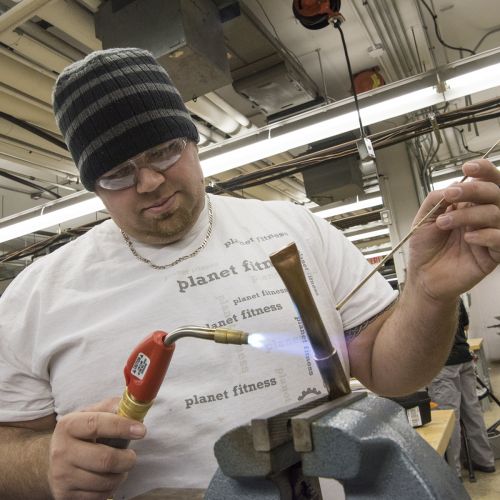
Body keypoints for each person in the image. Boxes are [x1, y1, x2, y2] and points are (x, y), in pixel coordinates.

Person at [0, 47, 499, 500]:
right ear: (93, 185)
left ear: (192, 140)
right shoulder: (35, 295)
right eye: (118, 174)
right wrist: (45, 463)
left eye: (163, 151)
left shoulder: (294, 230)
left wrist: (428, 295)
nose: (150, 182)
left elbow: (393, 373)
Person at [428, 298, 496, 479]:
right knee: (473, 412)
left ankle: (453, 473)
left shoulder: (425, 296)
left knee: (449, 418)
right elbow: (465, 326)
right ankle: (483, 460)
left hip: (443, 363)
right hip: (464, 358)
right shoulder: (455, 294)